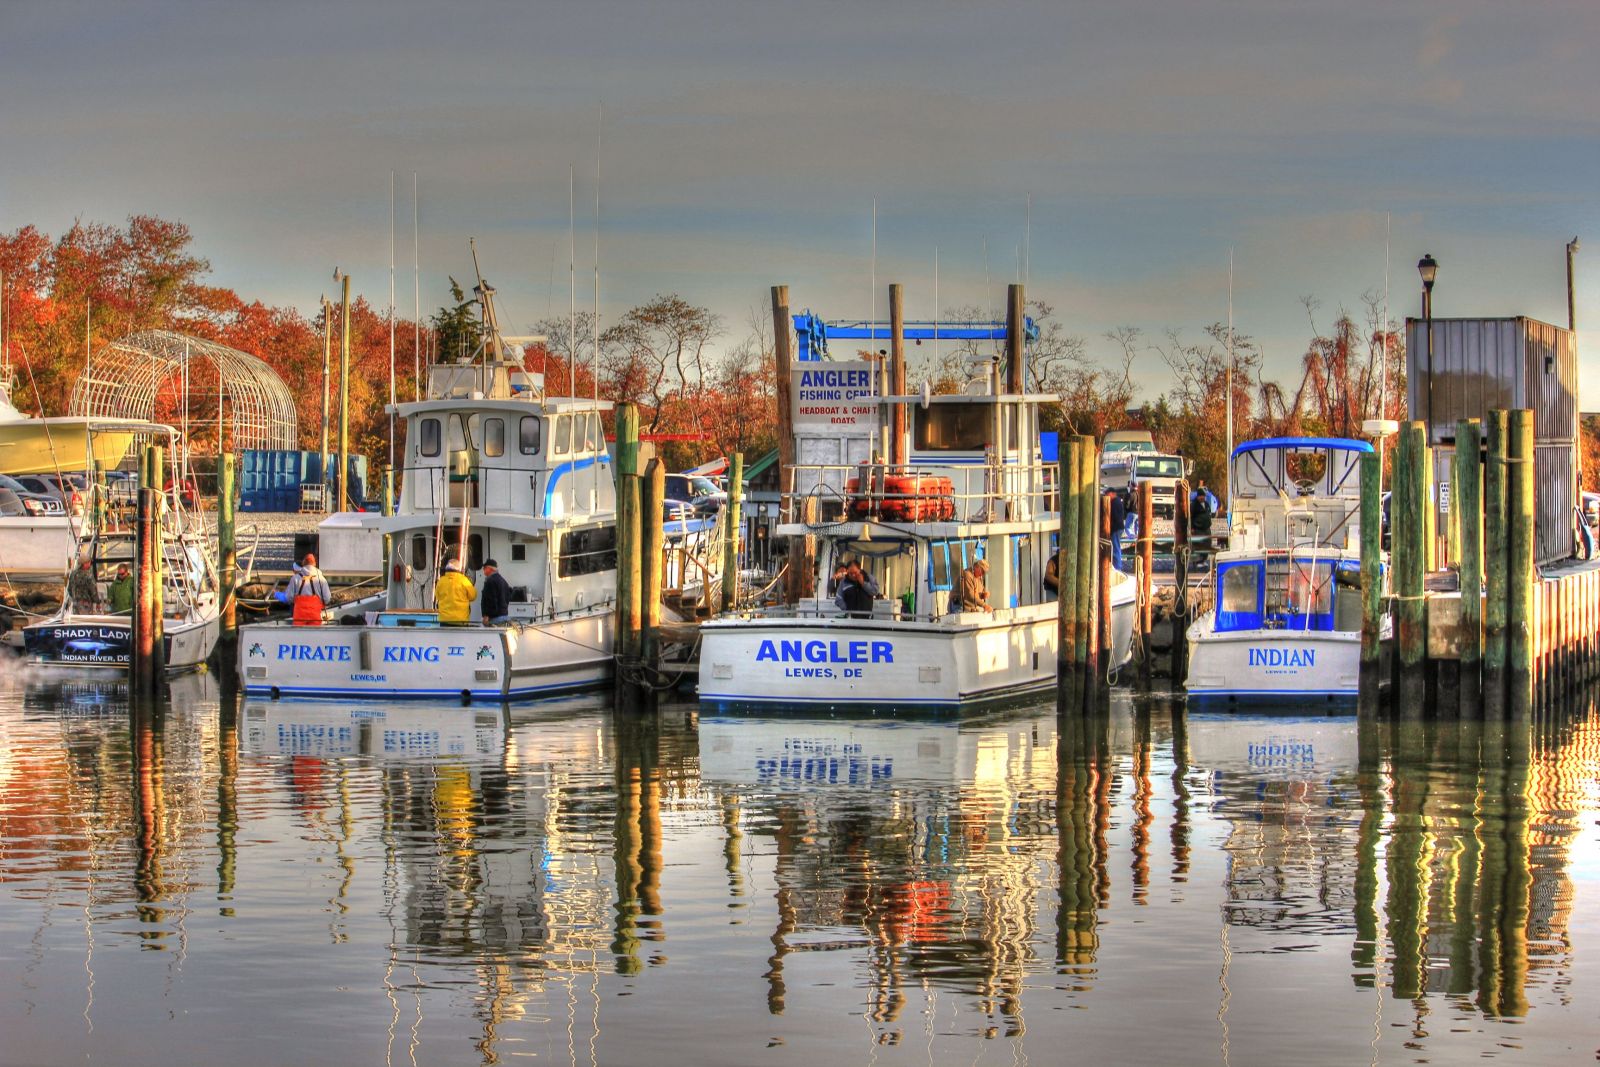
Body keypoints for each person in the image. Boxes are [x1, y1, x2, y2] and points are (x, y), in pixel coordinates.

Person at [287, 552, 332, 626]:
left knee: (299, 636)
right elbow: (327, 599)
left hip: (299, 617)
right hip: (315, 617)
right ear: (314, 564)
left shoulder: (295, 578)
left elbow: (289, 597)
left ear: (303, 564)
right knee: (315, 636)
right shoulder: (321, 579)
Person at [435, 557, 477, 625]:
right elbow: (473, 596)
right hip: (460, 620)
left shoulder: (441, 581)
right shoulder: (464, 581)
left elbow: (438, 596)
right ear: (459, 569)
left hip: (444, 620)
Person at [480, 558, 513, 624]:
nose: (483, 570)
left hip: (494, 618)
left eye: (484, 568)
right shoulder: (503, 581)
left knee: (492, 634)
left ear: (489, 569)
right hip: (504, 616)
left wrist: (486, 615)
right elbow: (508, 597)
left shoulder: (490, 581)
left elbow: (490, 600)